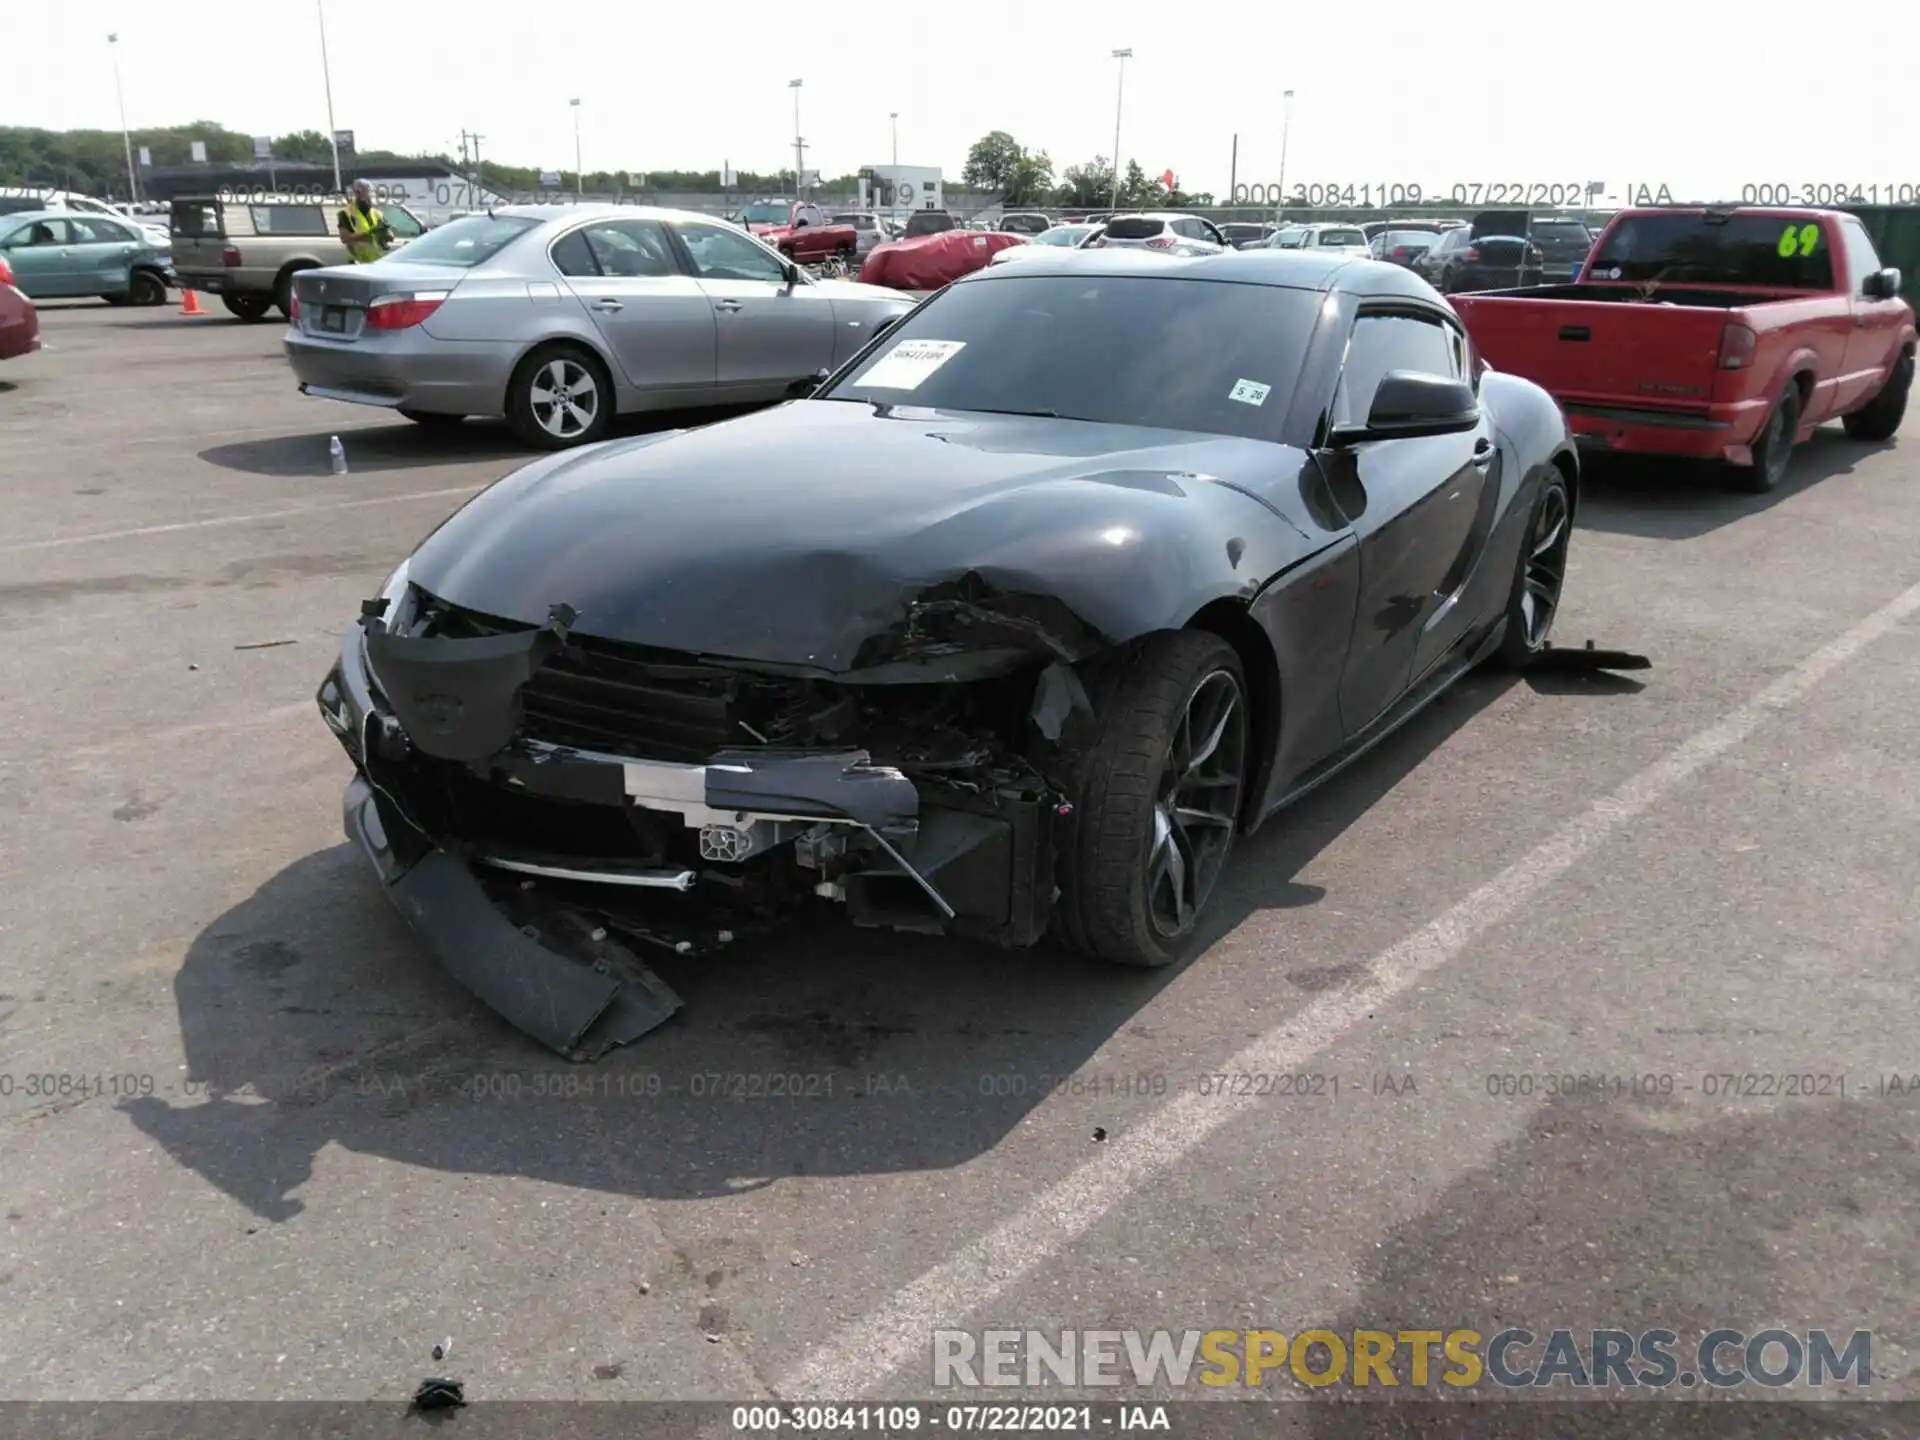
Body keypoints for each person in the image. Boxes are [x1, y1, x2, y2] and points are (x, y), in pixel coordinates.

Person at [336, 180, 393, 263]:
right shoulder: (346, 213)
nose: (368, 197)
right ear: (356, 194)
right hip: (358, 262)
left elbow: (391, 237)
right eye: (365, 193)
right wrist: (368, 233)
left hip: (377, 261)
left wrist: (385, 233)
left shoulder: (377, 214)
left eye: (370, 193)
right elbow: (345, 238)